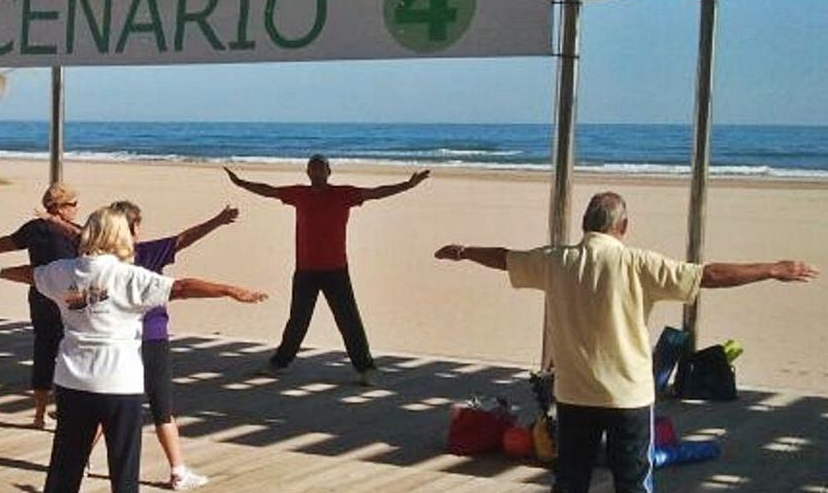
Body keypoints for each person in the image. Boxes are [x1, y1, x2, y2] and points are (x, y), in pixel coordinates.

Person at [434, 191, 818, 493]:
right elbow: (709, 275)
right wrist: (771, 269)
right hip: (628, 399)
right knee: (633, 483)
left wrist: (465, 252)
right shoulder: (639, 263)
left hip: (574, 396)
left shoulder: (556, 261)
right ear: (624, 226)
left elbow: (505, 258)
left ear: (585, 224)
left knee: (570, 482)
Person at [0, 207, 267, 493]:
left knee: (64, 469)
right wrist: (230, 291)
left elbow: (32, 274)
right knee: (123, 471)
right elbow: (182, 287)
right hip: (119, 384)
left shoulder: (62, 272)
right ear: (118, 237)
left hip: (73, 381)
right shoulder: (129, 277)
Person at [43, 201, 240, 490]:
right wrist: (228, 289)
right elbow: (183, 278)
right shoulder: (138, 260)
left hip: (82, 373)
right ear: (130, 229)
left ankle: (172, 468)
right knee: (157, 411)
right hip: (139, 349)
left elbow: (73, 240)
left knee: (92, 425)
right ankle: (178, 470)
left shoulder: (79, 266)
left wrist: (1, 268)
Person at [225, 155, 430, 385]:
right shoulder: (299, 194)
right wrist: (242, 183)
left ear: (329, 171)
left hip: (336, 270)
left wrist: (407, 185)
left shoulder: (344, 194)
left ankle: (366, 368)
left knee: (349, 320)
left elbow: (376, 192)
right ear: (307, 173)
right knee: (298, 320)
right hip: (305, 271)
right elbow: (269, 190)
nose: (316, 172)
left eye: (320, 168)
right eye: (312, 168)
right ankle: (279, 363)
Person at [0, 183, 80, 428]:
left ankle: (40, 414)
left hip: (39, 293)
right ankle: (65, 410)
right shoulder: (73, 232)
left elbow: (8, 242)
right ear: (59, 208)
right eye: (73, 204)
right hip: (67, 298)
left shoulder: (34, 228)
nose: (76, 209)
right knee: (71, 351)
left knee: (44, 350)